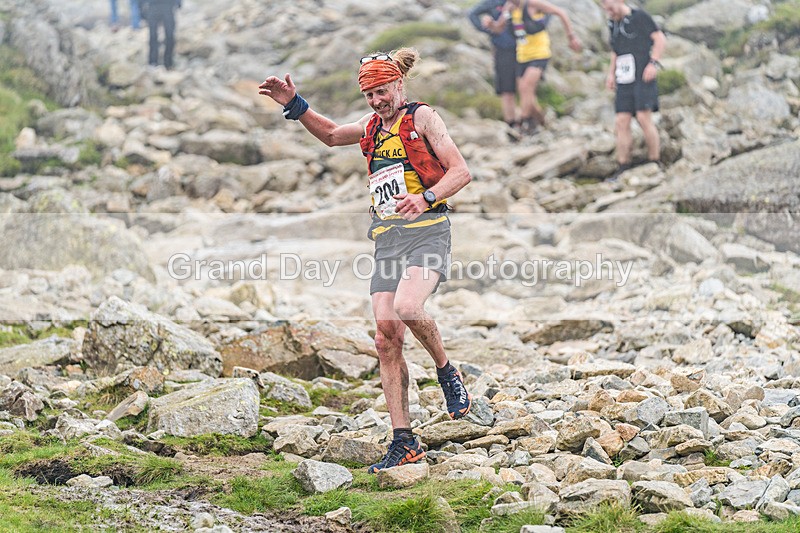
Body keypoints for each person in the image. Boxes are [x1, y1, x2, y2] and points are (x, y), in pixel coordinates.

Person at [258, 48, 473, 473]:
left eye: (381, 91)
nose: (376, 101)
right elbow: (334, 134)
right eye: (368, 95)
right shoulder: (371, 127)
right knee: (385, 337)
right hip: (388, 240)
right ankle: (403, 440)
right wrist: (294, 105)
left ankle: (447, 371)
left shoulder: (423, 118)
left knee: (409, 308)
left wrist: (426, 197)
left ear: (398, 84)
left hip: (429, 231)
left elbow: (461, 172)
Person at [601, 0, 666, 178]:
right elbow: (615, 51)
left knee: (644, 118)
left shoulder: (640, 17)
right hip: (624, 78)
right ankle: (623, 166)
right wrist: (611, 74)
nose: (609, 11)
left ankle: (655, 161)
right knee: (621, 121)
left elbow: (659, 39)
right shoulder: (612, 22)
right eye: (605, 9)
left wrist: (653, 63)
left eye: (611, 7)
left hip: (643, 75)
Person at [503, 0, 582, 134]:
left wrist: (571, 36)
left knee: (526, 87)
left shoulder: (532, 3)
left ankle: (525, 122)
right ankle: (541, 119)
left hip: (539, 53)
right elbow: (499, 26)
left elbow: (560, 12)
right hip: (522, 55)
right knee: (526, 94)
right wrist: (495, 22)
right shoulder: (510, 7)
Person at [468, 0, 519, 131]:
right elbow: (472, 14)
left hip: (525, 49)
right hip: (503, 48)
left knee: (525, 86)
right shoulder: (493, 3)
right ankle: (511, 122)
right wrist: (488, 29)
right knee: (506, 88)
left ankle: (526, 118)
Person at [140, 0, 181, 69]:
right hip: (152, 5)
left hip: (168, 5)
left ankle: (168, 62)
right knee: (153, 36)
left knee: (170, 35)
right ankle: (153, 61)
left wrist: (178, 3)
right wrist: (141, 6)